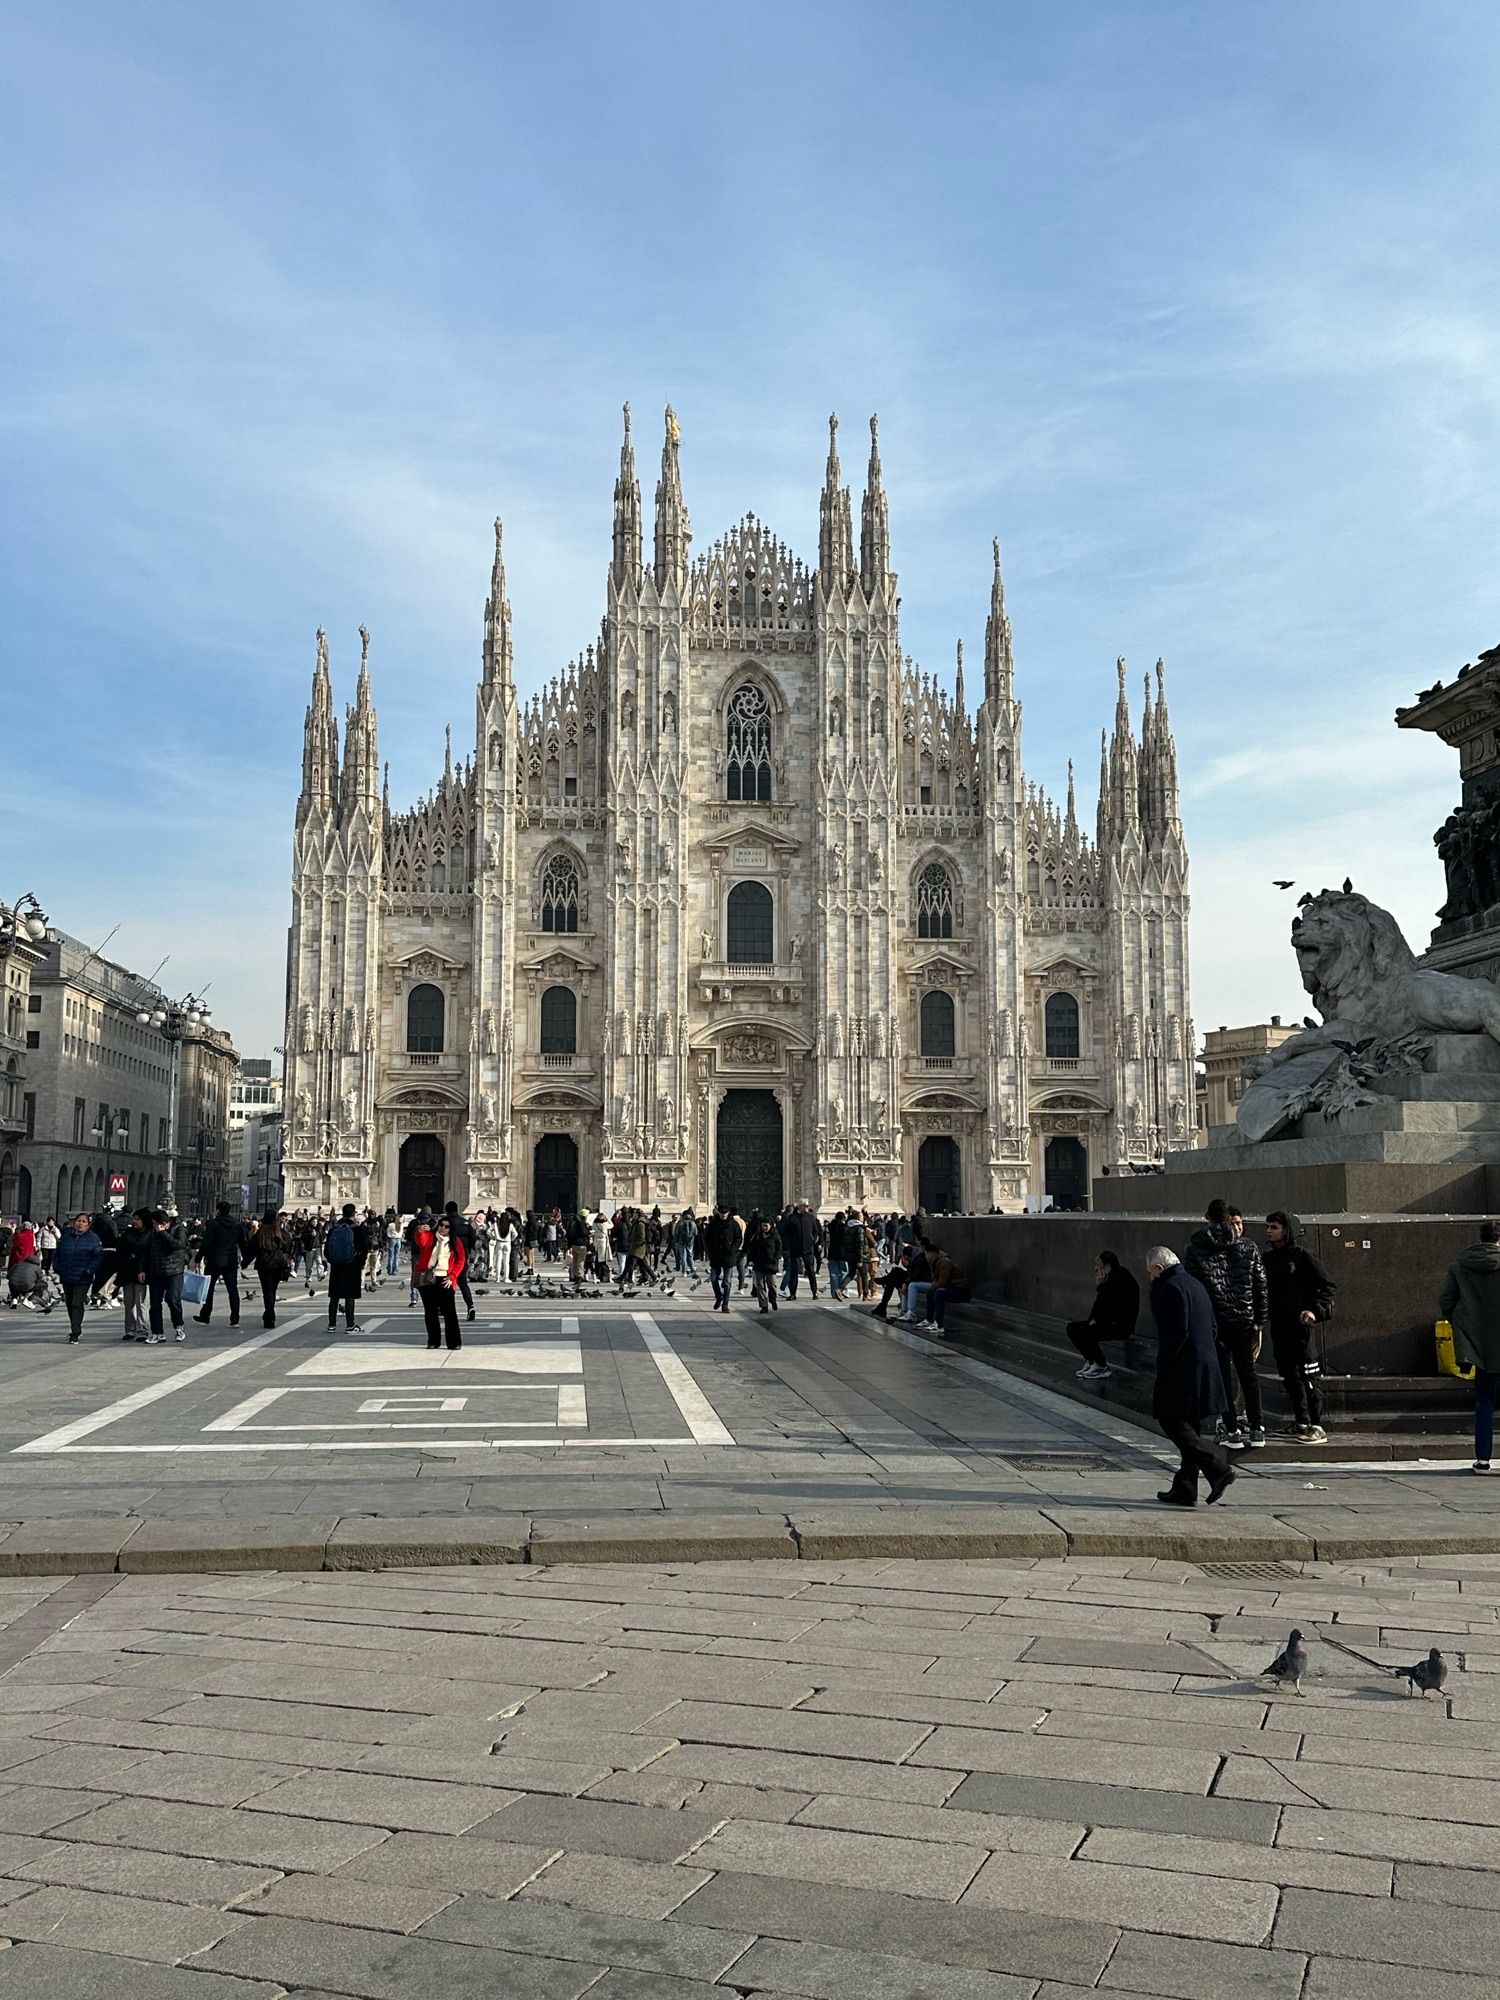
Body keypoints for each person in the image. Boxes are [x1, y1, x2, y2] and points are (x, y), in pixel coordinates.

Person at [1146, 1245, 1233, 1506]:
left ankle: (1217, 1467)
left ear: (1159, 1268)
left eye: (1151, 1272)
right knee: (1190, 1424)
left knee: (1170, 1419)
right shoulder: (1194, 1284)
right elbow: (1214, 1326)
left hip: (1183, 1367)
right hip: (1205, 1363)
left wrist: (1166, 1364)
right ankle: (1185, 1488)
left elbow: (1176, 1332)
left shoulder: (1171, 1288)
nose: (1151, 1278)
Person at [1184, 1199, 1268, 1449]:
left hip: (1215, 1322)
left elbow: (1193, 1290)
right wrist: (1260, 1319)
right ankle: (1257, 1428)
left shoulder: (1196, 1248)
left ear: (1206, 1216)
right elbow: (1260, 1284)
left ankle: (1231, 1430)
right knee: (1248, 1374)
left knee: (1223, 1375)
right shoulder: (1248, 1246)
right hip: (1244, 1320)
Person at [1263, 1210, 1335, 1444]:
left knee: (1308, 1374)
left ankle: (1316, 1424)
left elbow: (1327, 1287)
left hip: (1301, 1325)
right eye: (1268, 1227)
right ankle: (1301, 1420)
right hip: (1279, 1323)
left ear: (1287, 1230)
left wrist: (1314, 1311)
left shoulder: (1303, 1256)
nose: (1269, 1231)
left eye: (1274, 1227)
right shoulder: (1269, 1258)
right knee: (1289, 1374)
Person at [1440, 1220, 1500, 1473]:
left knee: (1484, 1401)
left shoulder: (1460, 1265)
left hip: (1479, 1344)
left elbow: (1446, 1301)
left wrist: (1465, 1324)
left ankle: (1483, 1459)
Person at [1066, 1251, 1141, 1380]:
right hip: (1107, 1322)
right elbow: (1099, 1304)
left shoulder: (1121, 1278)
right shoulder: (1110, 1279)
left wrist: (1101, 1286)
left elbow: (1111, 1304)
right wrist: (1092, 1320)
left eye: (1098, 1264)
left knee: (1085, 1333)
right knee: (1072, 1328)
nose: (1096, 1268)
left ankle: (1101, 1366)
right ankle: (1092, 1361)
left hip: (1119, 1325)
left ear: (1107, 1266)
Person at [53, 1212, 103, 1345]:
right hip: (67, 1275)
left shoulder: (93, 1238)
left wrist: (89, 1269)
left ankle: (75, 1332)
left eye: (83, 1221)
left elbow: (98, 1257)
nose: (80, 1223)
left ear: (88, 1224)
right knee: (69, 1303)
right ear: (74, 1223)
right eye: (78, 1221)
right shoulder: (66, 1237)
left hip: (83, 1277)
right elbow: (57, 1254)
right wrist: (57, 1268)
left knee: (77, 1303)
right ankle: (74, 1326)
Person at [416, 1213, 465, 1350]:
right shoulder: (431, 1237)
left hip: (445, 1279)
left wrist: (453, 1276)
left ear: (451, 1228)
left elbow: (461, 1261)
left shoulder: (455, 1241)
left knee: (450, 1312)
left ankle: (454, 1342)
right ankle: (433, 1341)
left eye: (446, 1226)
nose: (443, 1228)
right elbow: (422, 1242)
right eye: (441, 1225)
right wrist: (420, 1232)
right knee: (430, 1312)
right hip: (428, 1278)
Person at [195, 1201, 245, 1328]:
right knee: (232, 1290)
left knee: (209, 1289)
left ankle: (205, 1315)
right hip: (230, 1260)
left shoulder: (213, 1224)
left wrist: (198, 1257)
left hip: (214, 1260)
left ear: (218, 1210)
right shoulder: (236, 1224)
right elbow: (243, 1242)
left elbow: (207, 1242)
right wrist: (246, 1260)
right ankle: (235, 1318)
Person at [143, 1208, 188, 1345]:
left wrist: (163, 1233)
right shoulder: (151, 1233)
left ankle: (179, 1327)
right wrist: (142, 1269)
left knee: (173, 1300)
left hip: (174, 1271)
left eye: (155, 1224)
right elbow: (146, 1251)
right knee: (155, 1303)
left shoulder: (178, 1229)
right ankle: (157, 1333)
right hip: (156, 1272)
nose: (154, 1226)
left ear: (163, 1223)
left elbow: (178, 1245)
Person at [325, 1203, 367, 1332]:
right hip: (352, 1265)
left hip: (337, 1266)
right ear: (354, 1214)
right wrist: (360, 1263)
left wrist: (333, 1260)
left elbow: (327, 1249)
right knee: (350, 1296)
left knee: (334, 1297)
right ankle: (350, 1325)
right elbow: (364, 1248)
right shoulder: (357, 1229)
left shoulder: (334, 1228)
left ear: (342, 1213)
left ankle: (332, 1324)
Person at [247, 1209, 294, 1328]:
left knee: (267, 1291)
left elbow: (252, 1248)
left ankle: (269, 1315)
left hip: (263, 1265)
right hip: (277, 1264)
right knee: (272, 1290)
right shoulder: (280, 1232)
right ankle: (269, 1314)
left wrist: (245, 1262)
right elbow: (289, 1245)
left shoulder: (260, 1233)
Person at [117, 1207, 153, 1340]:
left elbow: (149, 1254)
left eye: (137, 1219)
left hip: (142, 1272)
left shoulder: (150, 1233)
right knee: (129, 1302)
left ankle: (143, 1330)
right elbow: (120, 1249)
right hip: (127, 1271)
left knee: (141, 1302)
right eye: (134, 1219)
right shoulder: (128, 1232)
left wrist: (143, 1269)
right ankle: (130, 1330)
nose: (134, 1221)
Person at [443, 1202, 478, 1320]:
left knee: (447, 1283)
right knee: (463, 1283)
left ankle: (445, 1309)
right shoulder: (466, 1223)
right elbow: (473, 1238)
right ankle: (470, 1306)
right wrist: (467, 1249)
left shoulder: (445, 1223)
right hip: (463, 1258)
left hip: (448, 1258)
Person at [704, 1204, 739, 1313]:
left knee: (727, 1282)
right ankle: (719, 1296)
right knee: (714, 1279)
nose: (723, 1215)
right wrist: (709, 1249)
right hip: (715, 1255)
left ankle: (725, 1304)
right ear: (718, 1212)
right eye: (722, 1213)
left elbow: (738, 1238)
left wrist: (732, 1249)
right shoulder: (713, 1224)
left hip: (728, 1256)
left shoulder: (733, 1224)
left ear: (728, 1213)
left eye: (725, 1213)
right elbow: (706, 1238)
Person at [748, 1215, 781, 1312]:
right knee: (760, 1285)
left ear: (771, 1226)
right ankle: (764, 1305)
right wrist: (750, 1259)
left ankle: (773, 1299)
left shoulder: (775, 1236)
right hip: (759, 1263)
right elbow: (752, 1249)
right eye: (763, 1226)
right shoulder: (757, 1236)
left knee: (772, 1284)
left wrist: (776, 1258)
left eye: (766, 1226)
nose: (764, 1228)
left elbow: (779, 1249)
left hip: (771, 1263)